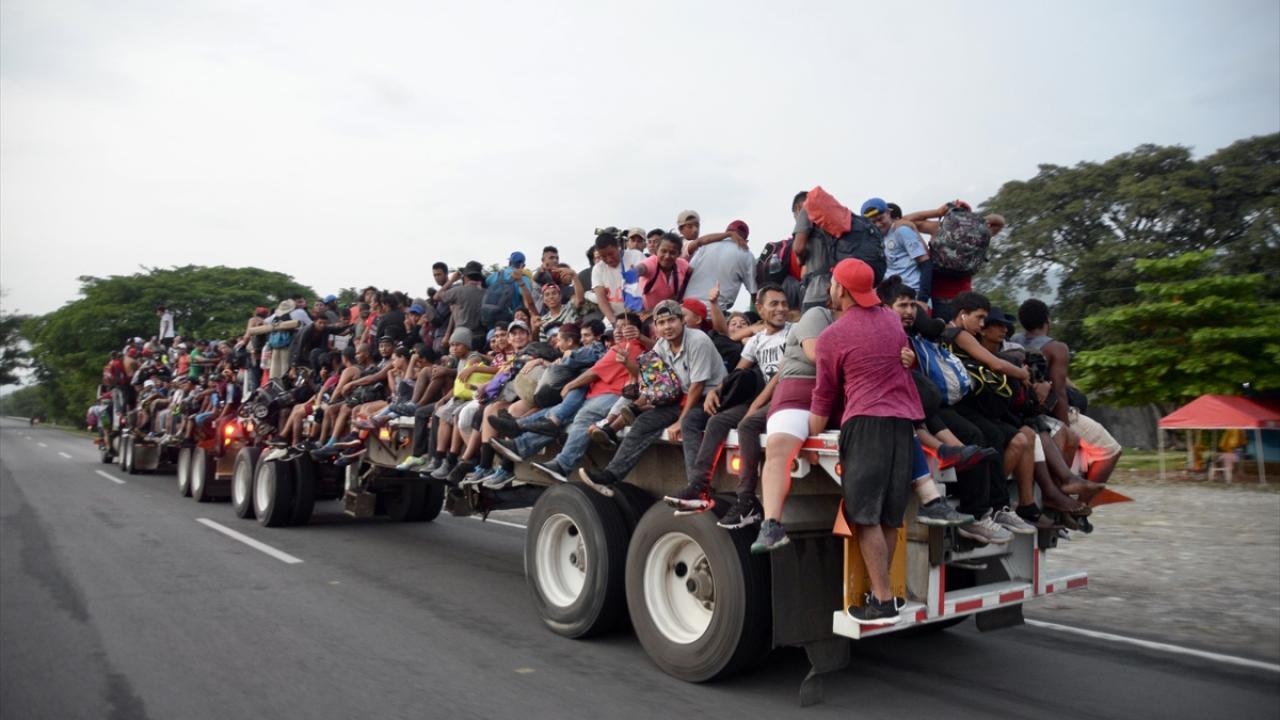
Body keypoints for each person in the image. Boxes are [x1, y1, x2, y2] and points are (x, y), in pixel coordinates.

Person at [807, 258, 923, 625]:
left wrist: (810, 433)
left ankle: (883, 601)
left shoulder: (832, 336)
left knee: (865, 516)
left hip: (866, 424)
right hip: (902, 424)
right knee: (889, 515)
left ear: (840, 289)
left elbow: (824, 394)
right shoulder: (891, 320)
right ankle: (881, 593)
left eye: (832, 283)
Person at [667, 284, 791, 520]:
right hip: (762, 399)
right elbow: (737, 372)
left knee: (746, 425)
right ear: (760, 309)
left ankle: (746, 499)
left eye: (784, 304)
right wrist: (716, 391)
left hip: (785, 396)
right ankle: (699, 488)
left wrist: (755, 406)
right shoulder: (757, 340)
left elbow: (782, 374)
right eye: (774, 304)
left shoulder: (793, 333)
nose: (781, 309)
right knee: (716, 421)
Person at [580, 299, 725, 497]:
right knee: (643, 422)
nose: (667, 327)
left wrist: (679, 421)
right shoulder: (661, 345)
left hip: (710, 397)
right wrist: (626, 363)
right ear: (655, 327)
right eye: (661, 323)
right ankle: (610, 475)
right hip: (680, 398)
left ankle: (698, 488)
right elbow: (649, 377)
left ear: (682, 321)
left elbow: (697, 386)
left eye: (671, 320)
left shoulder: (698, 340)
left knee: (688, 423)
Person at [1012, 298, 1122, 484]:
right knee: (1111, 450)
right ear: (1047, 320)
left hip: (1024, 408)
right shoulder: (1056, 348)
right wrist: (1065, 428)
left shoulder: (1014, 341)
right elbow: (1060, 393)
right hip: (1052, 413)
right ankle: (1084, 499)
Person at [683, 220, 757, 312]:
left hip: (688, 307)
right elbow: (754, 292)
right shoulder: (747, 255)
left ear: (725, 232)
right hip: (714, 312)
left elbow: (689, 271)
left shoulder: (706, 245)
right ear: (746, 241)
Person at [864, 199, 929, 301]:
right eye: (873, 222)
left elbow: (925, 263)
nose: (878, 224)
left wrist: (923, 299)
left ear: (888, 213)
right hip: (891, 297)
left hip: (912, 295)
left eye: (880, 219)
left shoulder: (901, 231)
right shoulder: (875, 240)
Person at [590, 229, 646, 327]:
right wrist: (615, 322)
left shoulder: (636, 256)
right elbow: (601, 300)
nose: (609, 259)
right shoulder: (597, 269)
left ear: (618, 247)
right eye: (603, 256)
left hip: (641, 311)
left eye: (611, 254)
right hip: (616, 318)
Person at [634, 232, 692, 310]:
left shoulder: (682, 264)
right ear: (656, 251)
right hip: (646, 312)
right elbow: (642, 268)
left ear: (679, 254)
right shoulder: (651, 262)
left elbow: (693, 273)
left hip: (671, 311)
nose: (667, 256)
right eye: (663, 251)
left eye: (672, 253)